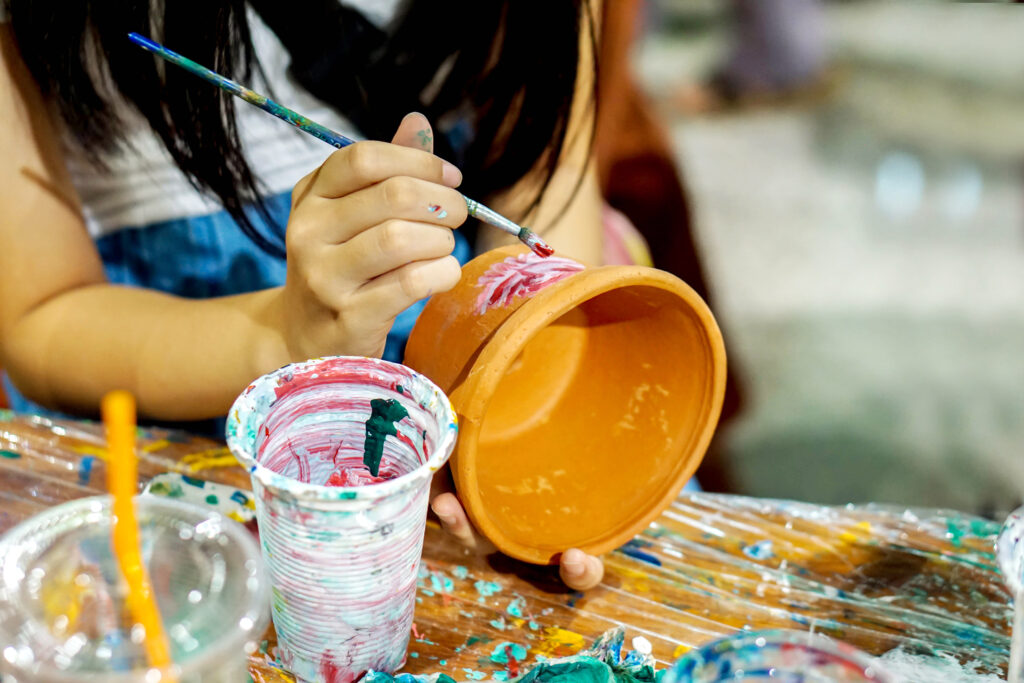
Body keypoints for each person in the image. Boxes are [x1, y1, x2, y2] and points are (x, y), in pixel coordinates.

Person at [0, 0, 605, 588]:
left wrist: (533, 426)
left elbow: (545, 186)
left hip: (464, 371)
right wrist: (286, 334)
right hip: (182, 409)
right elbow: (40, 318)